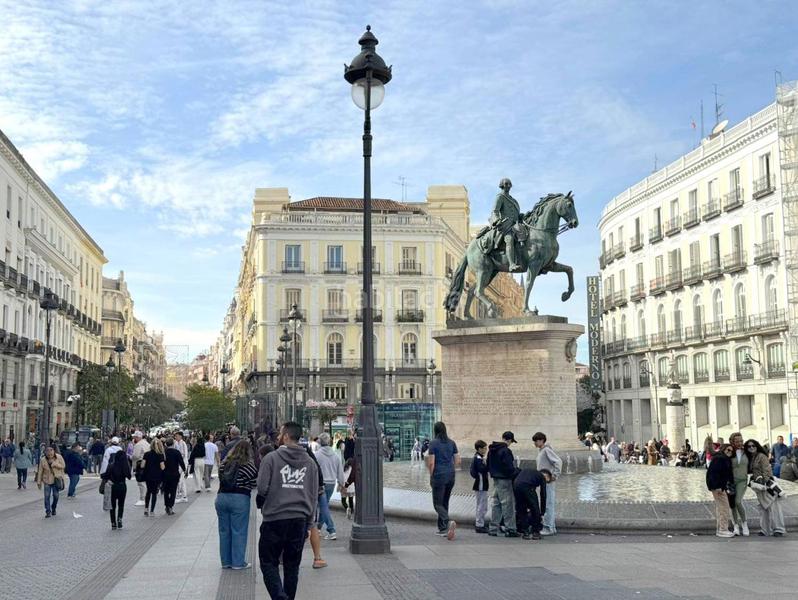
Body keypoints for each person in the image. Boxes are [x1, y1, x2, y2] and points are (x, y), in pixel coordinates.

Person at [257, 421, 319, 600]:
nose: (277, 437)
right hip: (299, 520)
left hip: (274, 519)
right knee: (292, 566)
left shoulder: (271, 458)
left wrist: (262, 503)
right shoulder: (310, 463)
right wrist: (309, 523)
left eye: (279, 434)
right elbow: (313, 495)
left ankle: (279, 597)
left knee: (268, 562)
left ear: (285, 436)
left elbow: (262, 488)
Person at [216, 439, 258, 569]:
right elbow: (254, 483)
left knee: (224, 531)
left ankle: (226, 562)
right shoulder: (248, 466)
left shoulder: (224, 464)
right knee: (238, 531)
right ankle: (238, 562)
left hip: (221, 498)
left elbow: (220, 479)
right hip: (240, 498)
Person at [745, 439, 786, 537]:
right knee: (763, 507)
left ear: (757, 446)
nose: (751, 448)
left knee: (774, 507)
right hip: (760, 487)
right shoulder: (751, 457)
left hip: (768, 485)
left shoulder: (761, 456)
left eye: (753, 446)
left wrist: (765, 481)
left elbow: (767, 470)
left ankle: (779, 529)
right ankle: (765, 530)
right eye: (749, 446)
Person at [426, 421, 460, 540]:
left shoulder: (433, 443)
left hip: (439, 476)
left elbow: (431, 463)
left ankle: (448, 521)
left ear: (435, 430)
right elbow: (457, 460)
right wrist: (451, 469)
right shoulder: (452, 443)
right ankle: (443, 529)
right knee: (445, 502)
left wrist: (432, 475)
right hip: (451, 475)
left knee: (437, 504)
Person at [487, 431, 519, 537]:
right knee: (507, 504)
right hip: (505, 480)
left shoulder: (491, 450)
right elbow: (509, 467)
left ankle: (493, 528)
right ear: (509, 440)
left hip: (495, 479)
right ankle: (510, 529)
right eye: (511, 442)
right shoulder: (506, 451)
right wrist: (516, 472)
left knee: (496, 504)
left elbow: (488, 464)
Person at [315, 432, 345, 540]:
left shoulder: (316, 455)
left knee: (323, 506)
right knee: (324, 505)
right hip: (332, 484)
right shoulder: (336, 456)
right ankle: (318, 528)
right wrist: (341, 483)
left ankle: (331, 530)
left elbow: (313, 470)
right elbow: (340, 471)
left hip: (321, 484)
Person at [532, 432, 562, 536]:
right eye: (534, 441)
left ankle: (548, 527)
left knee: (548, 504)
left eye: (536, 440)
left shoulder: (546, 450)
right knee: (548, 503)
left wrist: (554, 475)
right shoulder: (542, 451)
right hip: (544, 480)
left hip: (548, 481)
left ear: (541, 440)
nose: (535, 443)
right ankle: (551, 527)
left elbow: (558, 461)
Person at [513, 467, 551, 540]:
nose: (546, 483)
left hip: (516, 485)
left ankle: (525, 532)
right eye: (547, 481)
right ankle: (536, 532)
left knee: (521, 509)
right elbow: (543, 494)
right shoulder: (541, 476)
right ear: (546, 475)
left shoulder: (529, 472)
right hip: (527, 486)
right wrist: (542, 512)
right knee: (535, 509)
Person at [705, 444, 735, 538]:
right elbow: (713, 473)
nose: (730, 452)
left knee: (720, 508)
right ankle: (723, 529)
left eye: (731, 451)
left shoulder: (722, 458)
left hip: (720, 487)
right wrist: (716, 486)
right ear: (723, 450)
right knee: (724, 508)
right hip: (718, 487)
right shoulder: (720, 459)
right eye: (728, 450)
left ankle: (720, 529)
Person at [103, 444, 132, 530]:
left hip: (113, 486)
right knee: (121, 504)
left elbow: (105, 476)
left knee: (113, 506)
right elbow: (129, 477)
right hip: (122, 486)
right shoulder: (125, 467)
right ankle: (119, 519)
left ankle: (113, 523)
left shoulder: (111, 465)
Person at [34, 446, 65, 518]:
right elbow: (40, 471)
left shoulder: (59, 457)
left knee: (56, 496)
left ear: (53, 452)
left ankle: (53, 508)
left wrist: (54, 464)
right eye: (48, 453)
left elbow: (63, 466)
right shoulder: (43, 460)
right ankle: (48, 511)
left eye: (51, 453)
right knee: (46, 496)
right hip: (47, 480)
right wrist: (39, 482)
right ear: (45, 453)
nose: (50, 455)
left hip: (56, 479)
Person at [729, 432, 749, 536]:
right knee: (732, 505)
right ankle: (735, 525)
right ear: (732, 442)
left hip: (742, 480)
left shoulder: (747, 451)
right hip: (731, 482)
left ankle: (744, 523)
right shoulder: (729, 452)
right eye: (737, 441)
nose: (740, 443)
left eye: (741, 440)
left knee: (737, 501)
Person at [141, 437, 166, 516]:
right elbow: (162, 467)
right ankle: (152, 511)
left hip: (148, 475)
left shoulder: (146, 454)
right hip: (157, 476)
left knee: (148, 491)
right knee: (154, 493)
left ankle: (146, 509)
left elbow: (142, 465)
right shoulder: (160, 455)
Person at [163, 437, 187, 515]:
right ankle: (170, 506)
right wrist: (185, 470)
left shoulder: (164, 452)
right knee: (173, 491)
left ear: (166, 444)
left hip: (165, 474)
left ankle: (167, 505)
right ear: (173, 444)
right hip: (174, 474)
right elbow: (181, 462)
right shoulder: (176, 452)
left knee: (166, 491)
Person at [470, 440, 489, 533]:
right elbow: (482, 469)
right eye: (484, 448)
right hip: (481, 484)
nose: (486, 450)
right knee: (482, 505)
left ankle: (479, 523)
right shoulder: (478, 458)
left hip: (480, 484)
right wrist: (487, 464)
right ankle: (479, 525)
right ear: (479, 449)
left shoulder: (478, 457)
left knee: (480, 505)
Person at [100, 437, 124, 512]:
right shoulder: (120, 450)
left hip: (110, 471)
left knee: (108, 487)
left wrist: (103, 473)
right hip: (119, 471)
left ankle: (108, 503)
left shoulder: (108, 450)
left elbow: (105, 461)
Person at [131, 431, 151, 507]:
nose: (134, 438)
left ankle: (142, 498)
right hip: (147, 464)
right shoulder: (146, 443)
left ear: (138, 437)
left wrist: (130, 457)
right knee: (145, 482)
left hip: (140, 464)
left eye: (135, 437)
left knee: (141, 482)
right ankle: (146, 497)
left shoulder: (138, 445)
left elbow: (135, 456)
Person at [173, 431, 190, 503]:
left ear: (180, 436)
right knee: (181, 481)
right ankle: (183, 496)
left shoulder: (182, 444)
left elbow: (183, 454)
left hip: (182, 464)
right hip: (179, 463)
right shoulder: (177, 443)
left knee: (180, 480)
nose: (175, 437)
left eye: (176, 436)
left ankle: (182, 496)